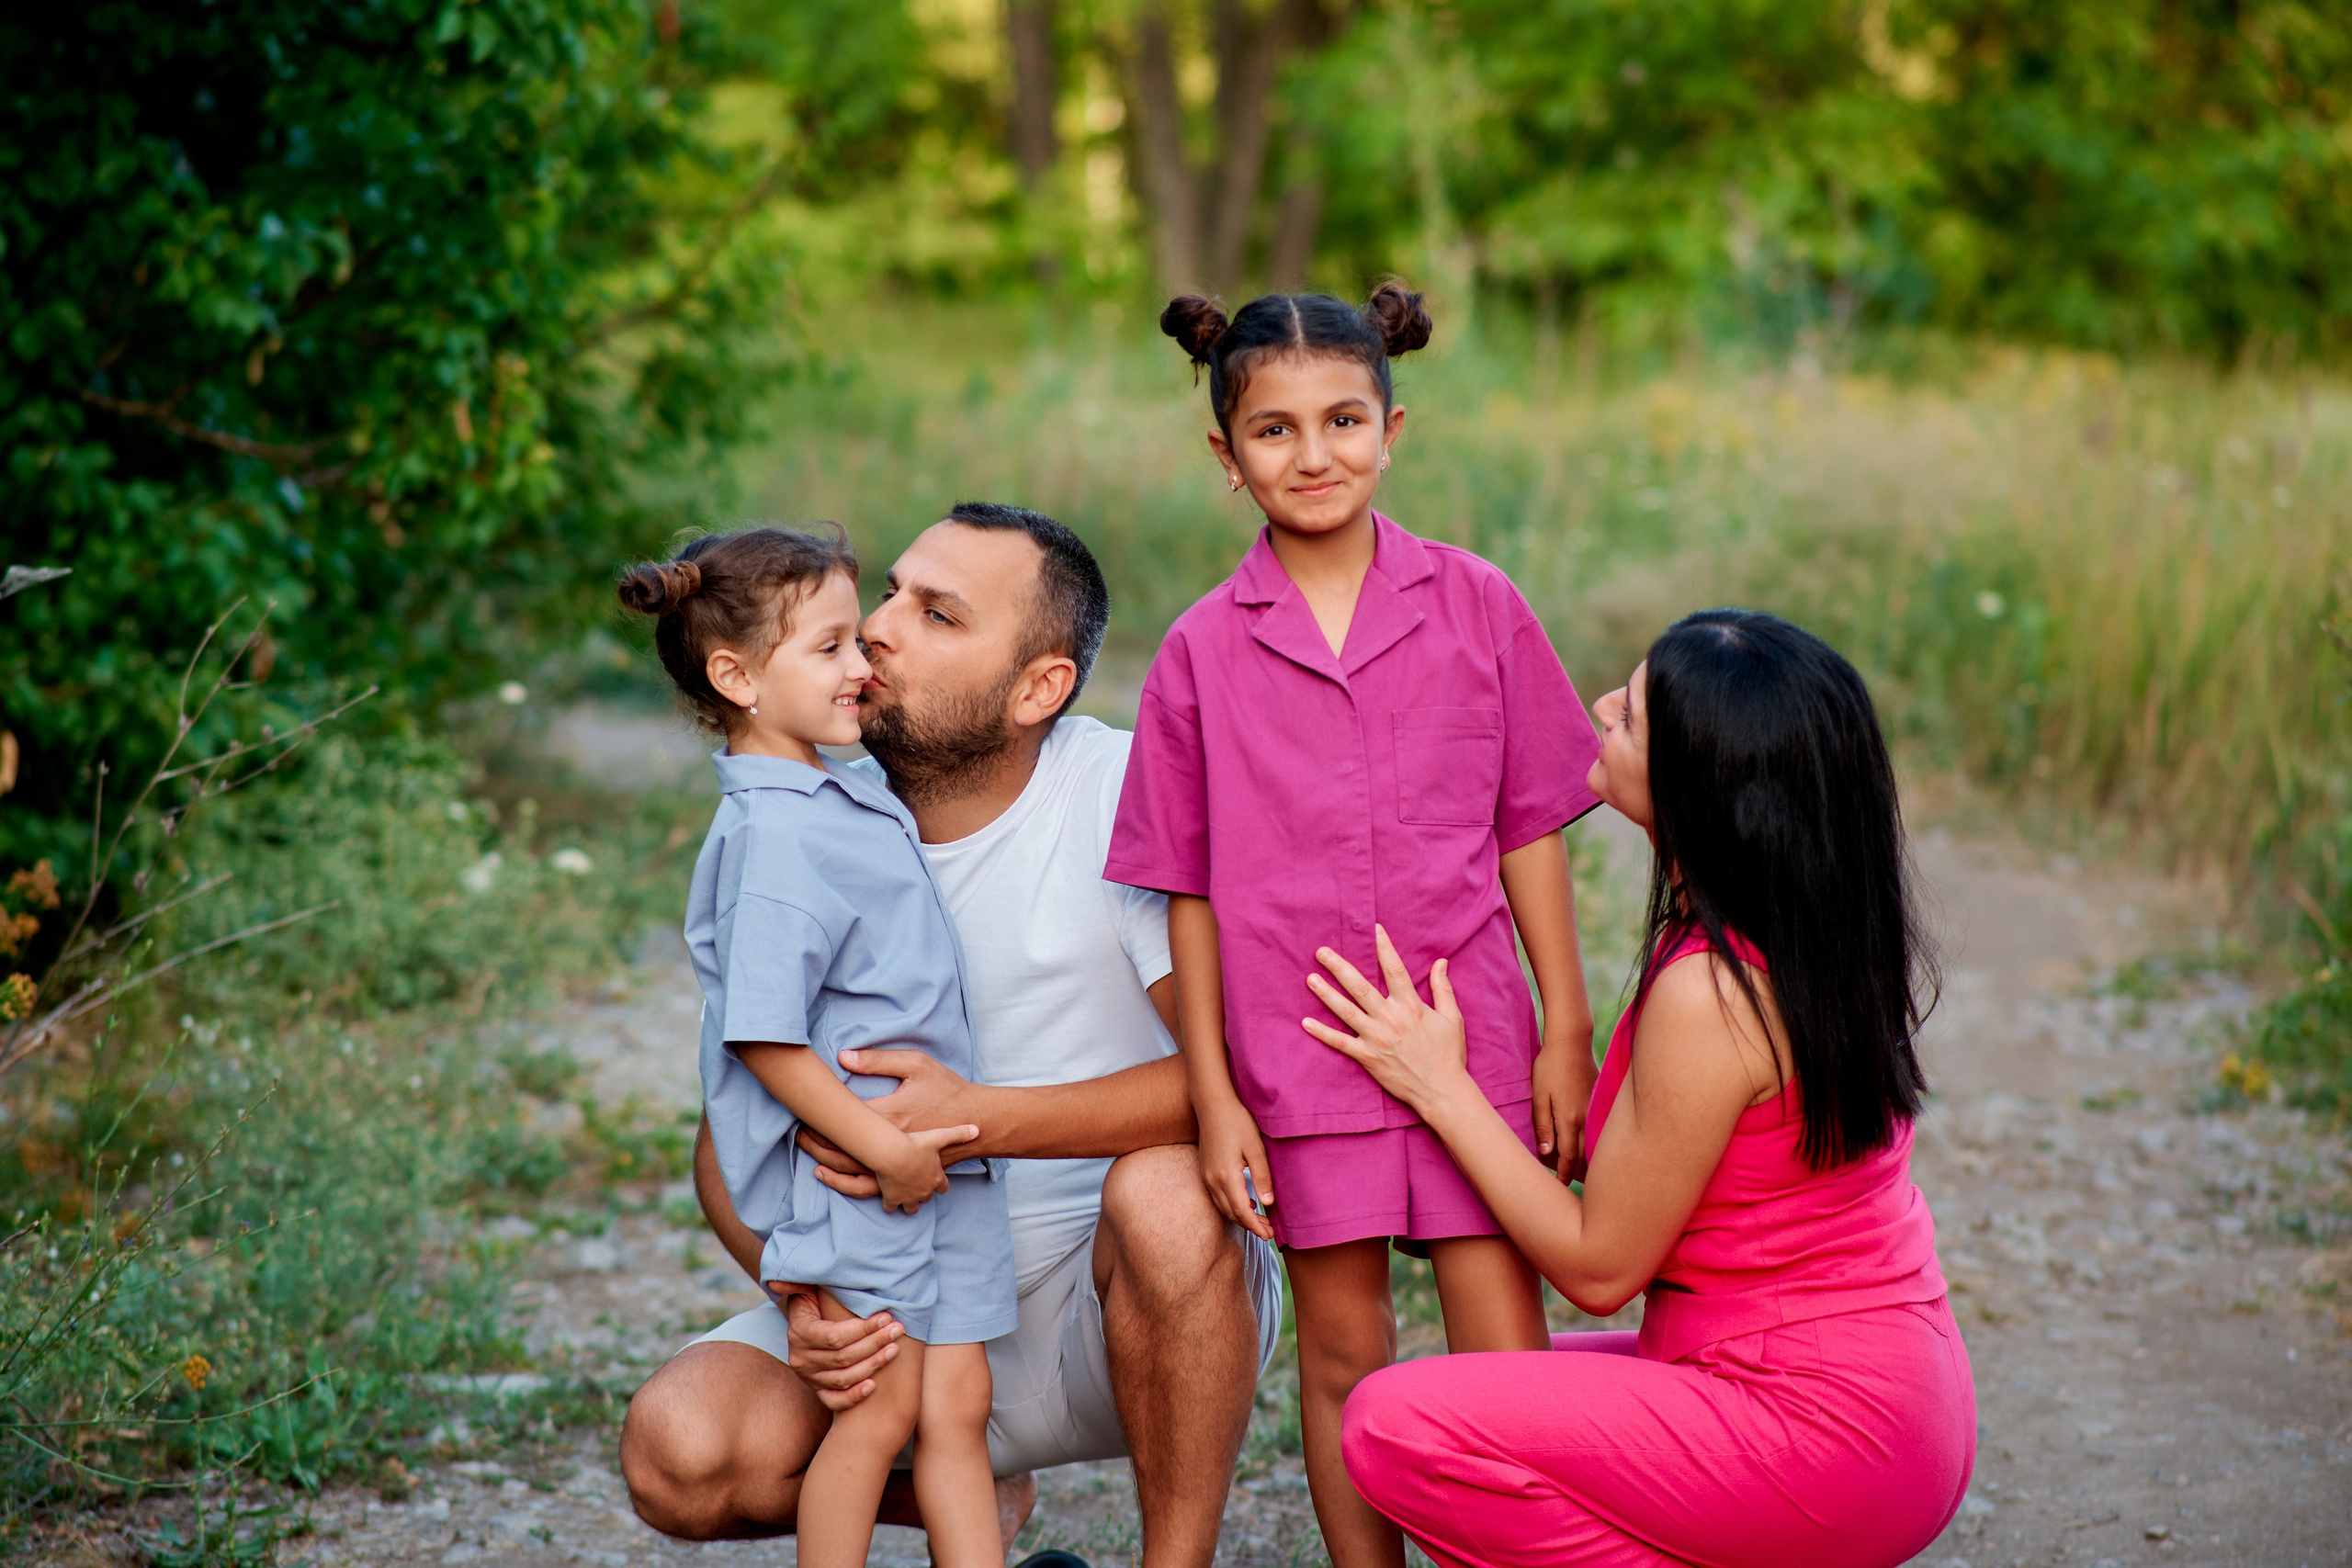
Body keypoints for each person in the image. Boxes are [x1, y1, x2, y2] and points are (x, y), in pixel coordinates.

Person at [618, 503, 1284, 1568]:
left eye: (937, 615)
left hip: (1109, 1308)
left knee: (1163, 1197)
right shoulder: (804, 820)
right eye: (887, 594)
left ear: (1038, 688)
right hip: (896, 1292)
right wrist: (801, 1296)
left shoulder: (1120, 794)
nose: (879, 628)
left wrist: (973, 1125)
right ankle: (968, 1499)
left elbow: (1244, 1087)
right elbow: (732, 1126)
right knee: (681, 1452)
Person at [1105, 283, 1601, 1568]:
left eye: (1342, 421)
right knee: (1344, 1356)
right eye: (1274, 430)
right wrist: (1215, 1095)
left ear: (1395, 427)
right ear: (1226, 455)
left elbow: (1530, 826)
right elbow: (1190, 889)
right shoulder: (1201, 652)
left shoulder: (1479, 603)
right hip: (1301, 1052)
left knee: (1507, 1352)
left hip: (1471, 1037)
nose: (1312, 455)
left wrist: (1567, 1027)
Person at [1312, 609, 1977, 1568]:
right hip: (1886, 1405)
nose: (1600, 709)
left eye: (1629, 715)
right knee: (1481, 1390)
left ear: (1703, 788)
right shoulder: (1811, 932)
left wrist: (1438, 1085)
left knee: (1397, 1425)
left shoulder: (1713, 995)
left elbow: (1595, 1270)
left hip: (1822, 1428)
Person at [618, 525, 1016, 1568]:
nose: (862, 665)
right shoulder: (772, 836)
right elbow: (763, 1037)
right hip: (863, 1173)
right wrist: (881, 1151)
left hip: (940, 1163)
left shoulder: (843, 792)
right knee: (877, 1418)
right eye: (830, 648)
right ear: (736, 676)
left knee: (958, 1410)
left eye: (857, 640)